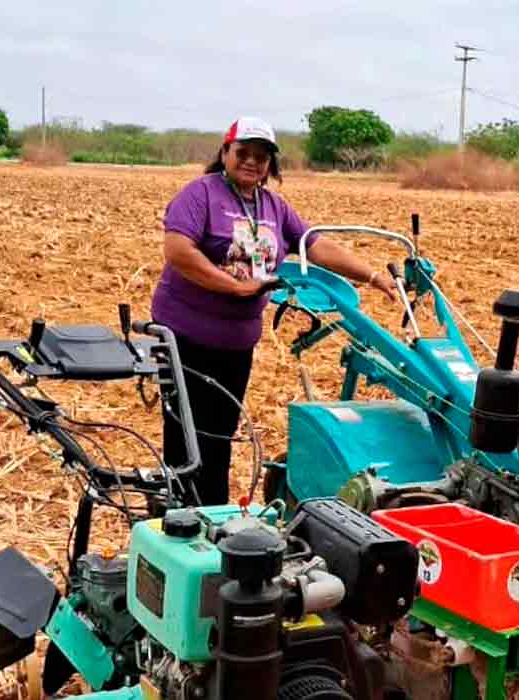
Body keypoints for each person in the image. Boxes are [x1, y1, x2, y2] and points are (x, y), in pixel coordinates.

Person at [152, 116, 396, 505]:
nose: (252, 162)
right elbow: (179, 251)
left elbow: (313, 245)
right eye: (243, 152)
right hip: (185, 335)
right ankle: (176, 516)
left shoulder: (273, 206)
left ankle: (211, 512)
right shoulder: (200, 194)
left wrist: (370, 275)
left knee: (220, 432)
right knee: (186, 433)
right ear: (225, 152)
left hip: (236, 342)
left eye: (261, 156)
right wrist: (234, 286)